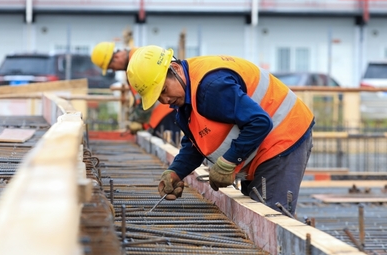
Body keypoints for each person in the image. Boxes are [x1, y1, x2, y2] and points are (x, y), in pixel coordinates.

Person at [126, 45, 314, 215]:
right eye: (158, 97)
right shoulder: (187, 94)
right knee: (253, 214)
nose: (165, 100)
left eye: (164, 90)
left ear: (175, 70)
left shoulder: (212, 87)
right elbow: (196, 143)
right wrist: (176, 172)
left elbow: (260, 122)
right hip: (263, 145)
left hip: (284, 136)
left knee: (270, 219)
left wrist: (228, 161)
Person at [91, 42, 179, 143]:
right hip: (161, 115)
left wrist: (137, 120)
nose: (114, 70)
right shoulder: (134, 62)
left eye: (111, 67)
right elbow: (139, 98)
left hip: (165, 113)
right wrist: (134, 118)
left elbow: (150, 93)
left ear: (116, 57)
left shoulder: (140, 61)